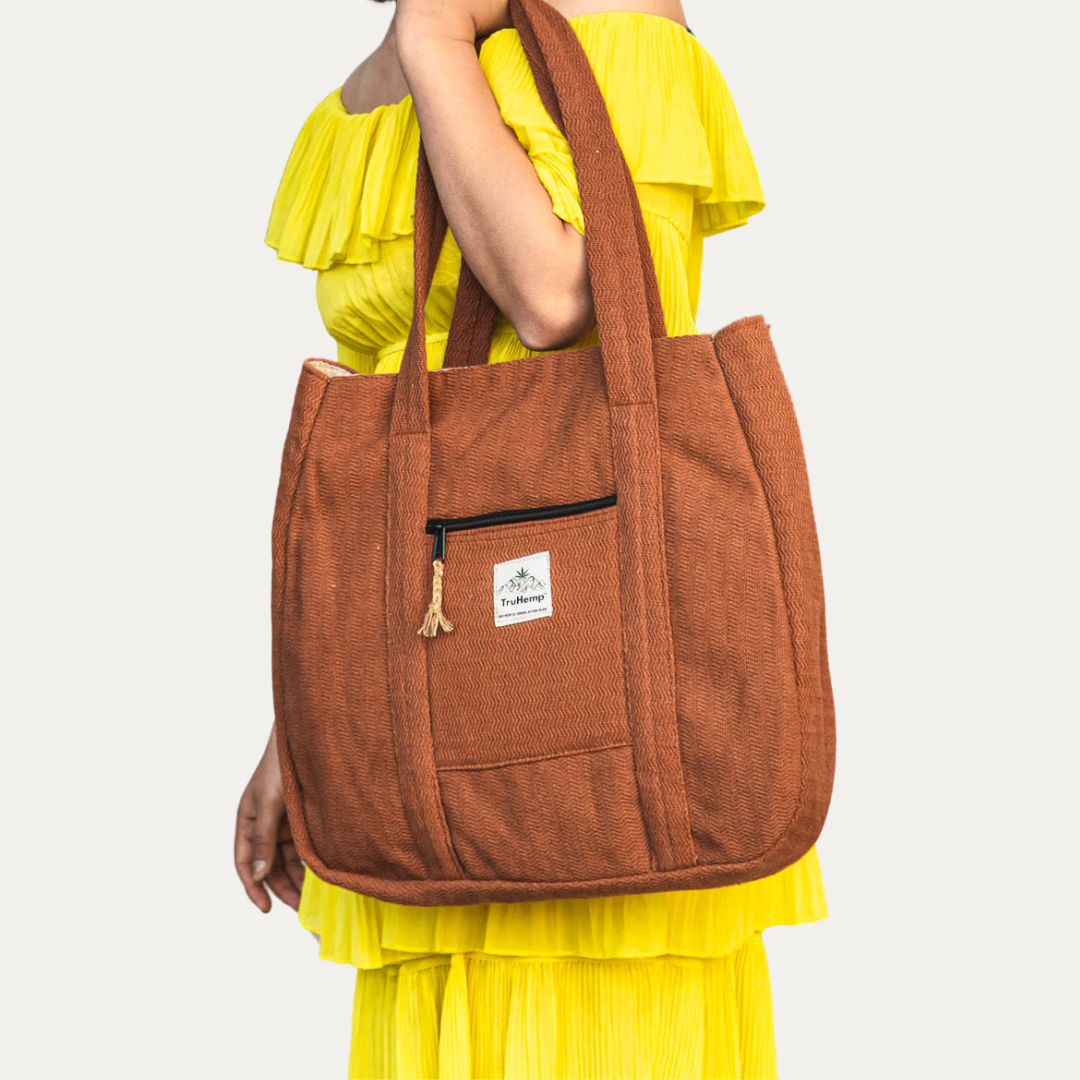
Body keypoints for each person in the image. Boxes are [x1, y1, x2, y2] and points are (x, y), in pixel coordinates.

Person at [237, 1, 828, 1075]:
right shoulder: (365, 91)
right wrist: (301, 730)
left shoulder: (603, 17)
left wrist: (434, 40)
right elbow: (388, 463)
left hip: (604, 704)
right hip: (430, 729)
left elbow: (564, 296)